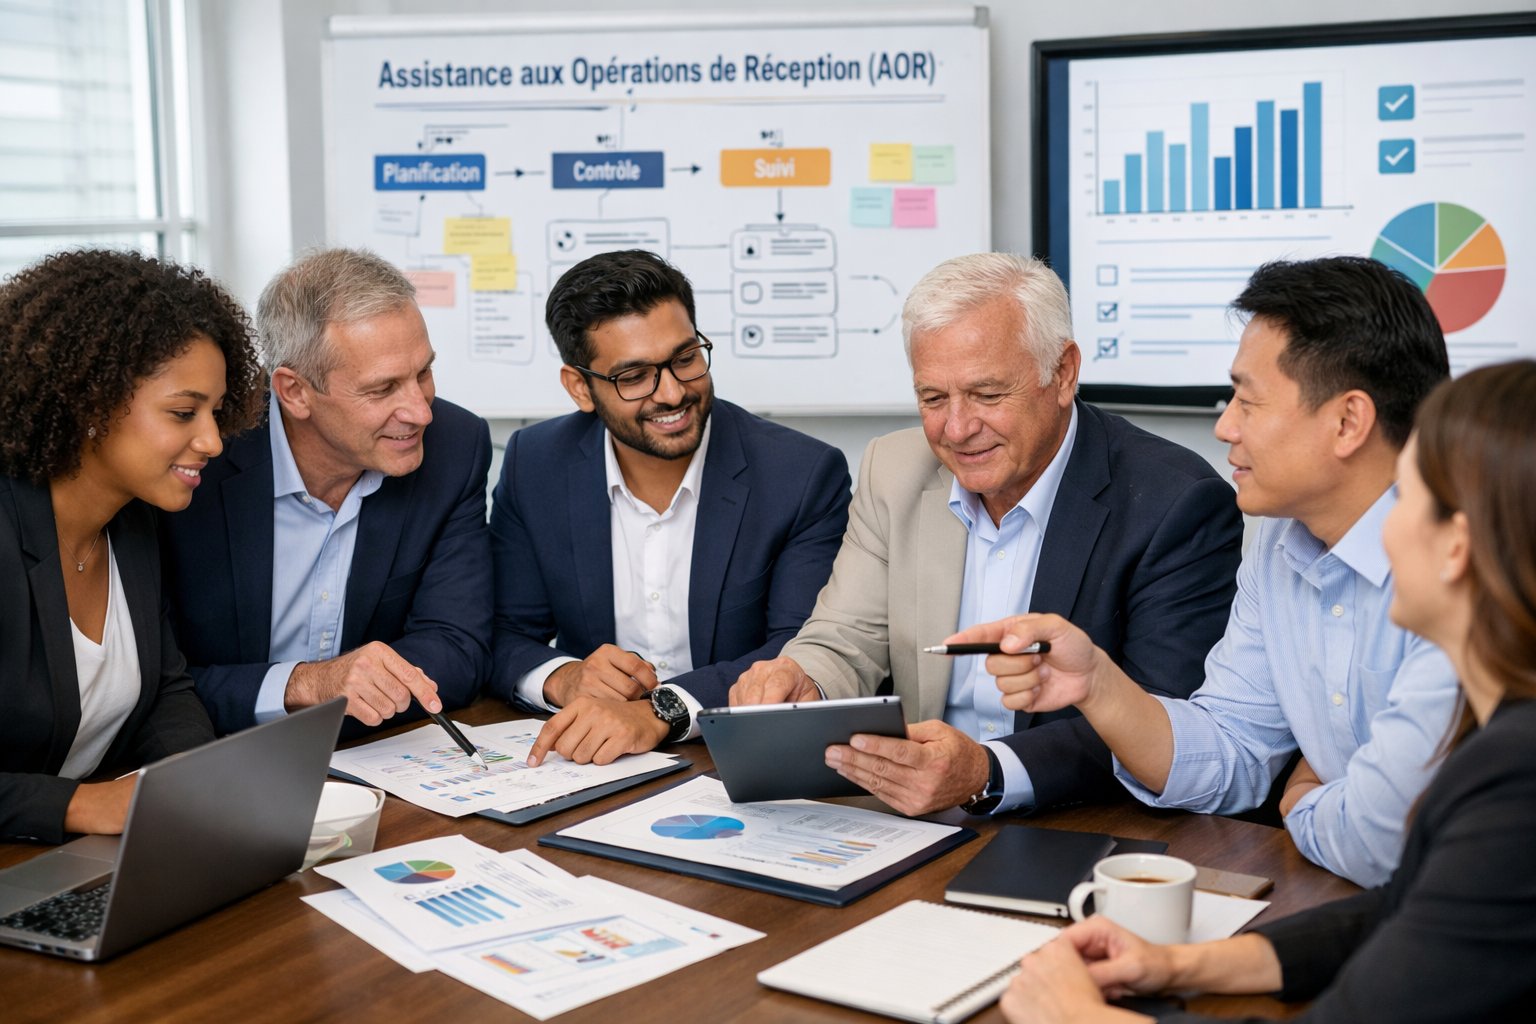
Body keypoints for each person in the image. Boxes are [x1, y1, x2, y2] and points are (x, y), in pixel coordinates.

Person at [998, 360, 1536, 1023]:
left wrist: (1082, 1018)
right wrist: (1180, 964)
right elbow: (1406, 909)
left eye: (1410, 492)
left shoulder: (1516, 777)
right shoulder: (1507, 741)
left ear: (1456, 546)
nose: (1384, 523)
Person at [952, 257, 1458, 886]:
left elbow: (1385, 843)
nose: (1225, 427)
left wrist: (1300, 798)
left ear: (1348, 421)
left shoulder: (1464, 560)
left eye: (1248, 401)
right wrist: (1097, 684)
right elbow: (1232, 751)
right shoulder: (1279, 540)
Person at [728, 252, 1243, 816]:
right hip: (916, 814)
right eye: (933, 398)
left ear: (1064, 372)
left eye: (987, 395)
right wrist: (803, 680)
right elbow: (846, 636)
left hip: (1082, 818)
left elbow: (1163, 723)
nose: (957, 429)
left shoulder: (1175, 501)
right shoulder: (892, 469)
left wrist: (988, 771)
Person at [487, 249, 851, 765]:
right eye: (634, 377)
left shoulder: (801, 474)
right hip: (591, 761)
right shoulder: (536, 463)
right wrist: (565, 678)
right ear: (580, 388)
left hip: (738, 757)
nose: (674, 392)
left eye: (685, 358)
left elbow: (803, 648)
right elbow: (500, 631)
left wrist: (662, 711)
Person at [160, 248, 492, 738]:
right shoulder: (193, 464)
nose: (420, 411)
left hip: (372, 759)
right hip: (209, 755)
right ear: (294, 392)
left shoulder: (454, 446)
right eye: (383, 390)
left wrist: (353, 697)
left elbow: (458, 648)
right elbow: (155, 686)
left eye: (422, 373)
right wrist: (303, 685)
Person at [1, 249, 264, 843]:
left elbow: (166, 689)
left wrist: (189, 778)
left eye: (216, 412)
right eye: (183, 412)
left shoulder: (133, 521)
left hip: (80, 862)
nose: (214, 441)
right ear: (88, 403)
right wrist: (81, 806)